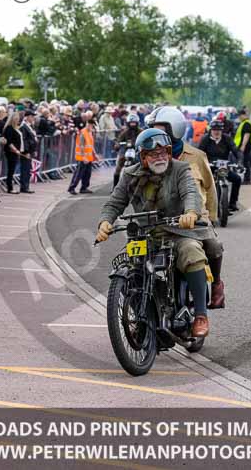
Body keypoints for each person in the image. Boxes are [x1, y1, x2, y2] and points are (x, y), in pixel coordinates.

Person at [95, 128, 213, 337]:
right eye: (153, 154)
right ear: (143, 156)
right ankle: (142, 314)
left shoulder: (180, 169)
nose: (160, 157)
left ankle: (201, 315)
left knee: (192, 252)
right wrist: (105, 222)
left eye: (163, 153)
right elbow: (115, 203)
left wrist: (191, 213)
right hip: (145, 235)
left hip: (178, 232)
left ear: (169, 153)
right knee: (129, 269)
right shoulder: (130, 174)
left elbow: (190, 193)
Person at [151, 107, 226, 309]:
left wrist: (211, 217)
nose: (155, 136)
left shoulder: (197, 156)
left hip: (196, 220)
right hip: (163, 221)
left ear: (174, 129)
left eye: (160, 130)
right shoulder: (151, 156)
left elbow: (210, 188)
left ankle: (217, 284)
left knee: (214, 247)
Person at [199, 120, 242, 212]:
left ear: (222, 130)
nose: (217, 131)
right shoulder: (205, 139)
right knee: (199, 182)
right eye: (214, 129)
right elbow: (199, 153)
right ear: (211, 130)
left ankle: (232, 203)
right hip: (209, 168)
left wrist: (239, 162)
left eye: (219, 129)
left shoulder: (227, 138)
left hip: (222, 169)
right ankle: (201, 205)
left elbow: (236, 150)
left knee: (237, 179)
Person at [67, 111, 96, 195]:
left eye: (92, 125)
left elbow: (90, 144)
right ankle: (72, 188)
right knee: (78, 173)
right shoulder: (83, 132)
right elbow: (82, 146)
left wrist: (94, 154)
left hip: (88, 157)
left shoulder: (90, 132)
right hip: (82, 157)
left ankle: (84, 187)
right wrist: (84, 157)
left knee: (87, 174)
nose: (90, 126)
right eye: (90, 124)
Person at [113, 113, 142, 188]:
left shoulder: (141, 131)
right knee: (118, 168)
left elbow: (145, 139)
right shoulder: (124, 132)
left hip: (137, 151)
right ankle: (114, 186)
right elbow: (118, 140)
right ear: (128, 123)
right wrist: (117, 145)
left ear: (137, 123)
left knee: (143, 165)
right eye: (131, 123)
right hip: (125, 151)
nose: (132, 124)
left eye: (134, 123)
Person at [2, 111, 24, 194]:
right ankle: (10, 188)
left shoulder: (15, 128)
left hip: (15, 151)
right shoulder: (9, 128)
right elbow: (9, 141)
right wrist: (15, 150)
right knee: (10, 170)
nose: (18, 120)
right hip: (11, 152)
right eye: (16, 119)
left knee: (12, 170)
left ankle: (10, 186)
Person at [234, 108, 251, 184]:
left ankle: (247, 180)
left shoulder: (246, 123)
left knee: (246, 163)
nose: (239, 118)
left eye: (240, 116)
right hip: (245, 146)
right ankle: (246, 179)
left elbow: (246, 135)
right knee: (245, 163)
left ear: (243, 115)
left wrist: (243, 146)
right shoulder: (244, 123)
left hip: (246, 147)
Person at [19, 110, 38, 194]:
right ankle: (24, 186)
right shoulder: (23, 127)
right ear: (27, 117)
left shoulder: (30, 126)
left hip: (30, 150)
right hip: (26, 152)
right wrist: (26, 151)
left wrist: (34, 150)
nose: (33, 118)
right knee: (25, 169)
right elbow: (24, 140)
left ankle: (26, 186)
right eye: (31, 116)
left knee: (28, 169)